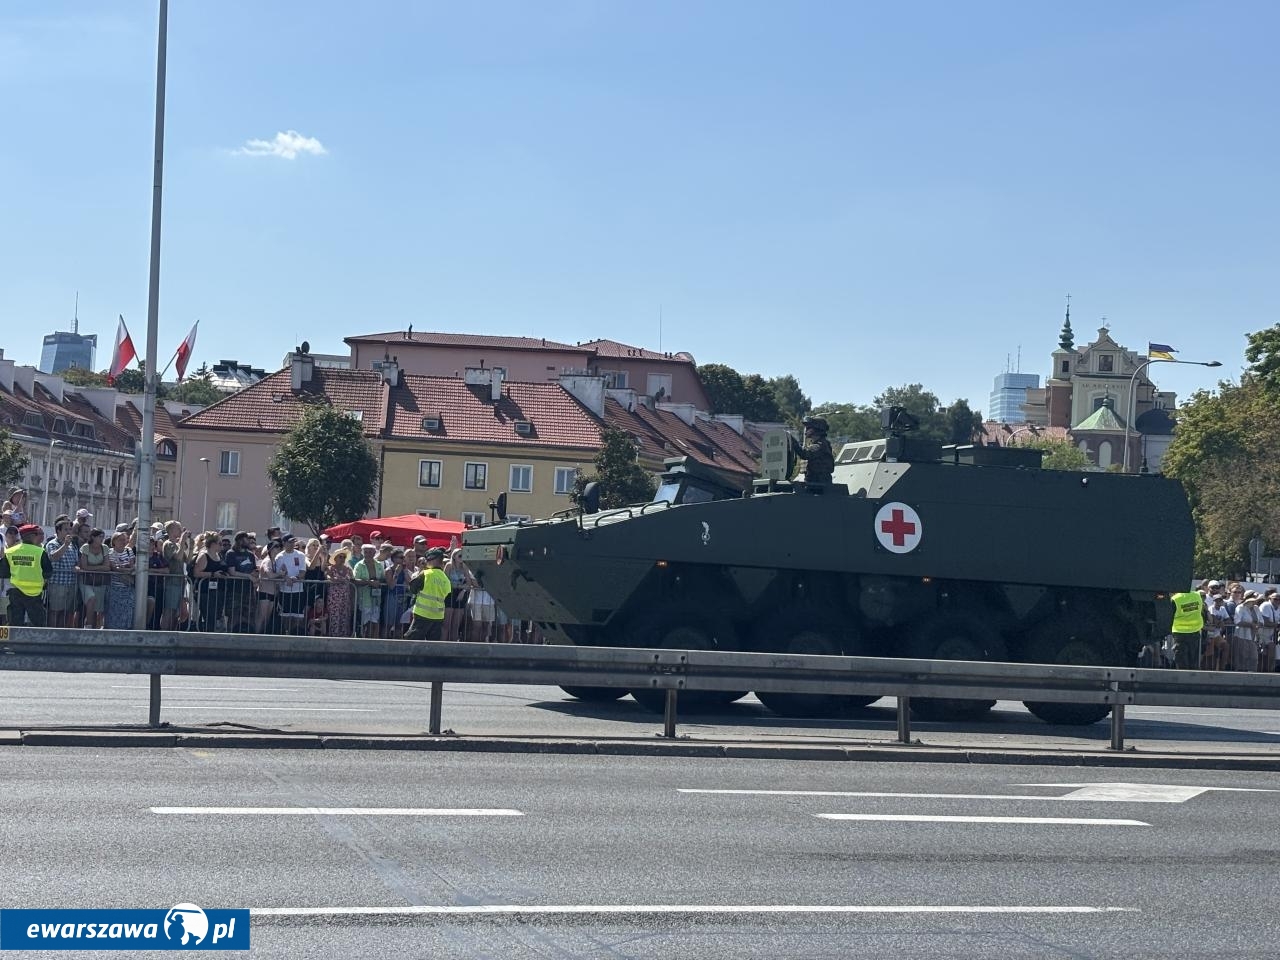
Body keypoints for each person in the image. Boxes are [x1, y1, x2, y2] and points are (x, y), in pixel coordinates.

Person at [0, 524, 52, 626]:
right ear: (32, 536)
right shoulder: (40, 552)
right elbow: (48, 572)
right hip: (34, 593)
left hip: (15, 592)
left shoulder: (10, 551)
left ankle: (14, 642)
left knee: (15, 624)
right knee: (39, 624)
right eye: (37, 534)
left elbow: (3, 572)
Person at [404, 547, 451, 641]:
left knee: (412, 640)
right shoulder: (445, 579)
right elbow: (447, 595)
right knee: (433, 643)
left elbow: (412, 588)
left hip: (422, 614)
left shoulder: (426, 574)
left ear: (431, 560)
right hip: (438, 616)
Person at [45, 518, 79, 628]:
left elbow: (76, 562)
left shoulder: (72, 545)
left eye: (70, 529)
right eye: (66, 530)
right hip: (57, 583)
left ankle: (61, 636)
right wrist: (65, 545)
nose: (69, 532)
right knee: (55, 611)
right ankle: (52, 634)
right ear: (58, 531)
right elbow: (53, 557)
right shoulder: (52, 544)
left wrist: (77, 567)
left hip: (70, 583)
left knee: (66, 612)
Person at [273, 535, 308, 635]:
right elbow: (280, 572)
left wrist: (295, 578)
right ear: (284, 543)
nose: (292, 544)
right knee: (285, 616)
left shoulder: (301, 555)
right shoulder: (279, 556)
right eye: (289, 542)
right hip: (284, 591)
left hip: (298, 590)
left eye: (293, 542)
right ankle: (286, 635)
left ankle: (295, 635)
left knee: (298, 616)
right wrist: (286, 578)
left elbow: (302, 571)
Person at [77, 528, 110, 629]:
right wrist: (100, 567)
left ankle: (95, 630)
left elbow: (107, 567)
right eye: (100, 536)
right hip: (86, 581)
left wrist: (93, 568)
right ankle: (88, 627)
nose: (102, 539)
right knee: (91, 598)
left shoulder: (105, 548)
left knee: (97, 608)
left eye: (103, 537)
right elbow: (84, 566)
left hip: (100, 581)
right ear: (93, 537)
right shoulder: (86, 547)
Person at [105, 530, 136, 629]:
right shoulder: (110, 552)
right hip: (115, 587)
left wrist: (122, 568)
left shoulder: (129, 551)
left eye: (124, 540)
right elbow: (114, 568)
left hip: (128, 587)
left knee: (128, 610)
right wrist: (125, 569)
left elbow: (132, 567)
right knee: (114, 611)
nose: (123, 542)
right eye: (120, 540)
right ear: (114, 541)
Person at [1168, 588, 1205, 670]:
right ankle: (1193, 678)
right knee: (1193, 659)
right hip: (1195, 631)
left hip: (1180, 633)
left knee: (1181, 660)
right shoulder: (1197, 596)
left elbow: (1170, 616)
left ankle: (1183, 679)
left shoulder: (1175, 599)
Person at [792, 415, 834, 485]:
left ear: (817, 429)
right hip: (813, 481)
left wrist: (793, 442)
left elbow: (804, 454)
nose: (806, 430)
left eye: (809, 428)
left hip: (820, 483)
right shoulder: (815, 443)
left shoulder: (821, 445)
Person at [352, 543, 383, 638]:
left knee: (375, 622)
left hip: (376, 598)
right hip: (364, 599)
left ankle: (374, 641)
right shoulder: (359, 565)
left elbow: (382, 578)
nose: (368, 554)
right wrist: (369, 582)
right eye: (366, 552)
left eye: (370, 552)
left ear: (374, 553)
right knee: (364, 623)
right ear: (363, 553)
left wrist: (378, 582)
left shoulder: (378, 565)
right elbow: (355, 580)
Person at [325, 549, 354, 637]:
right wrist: (336, 580)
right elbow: (328, 578)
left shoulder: (348, 569)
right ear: (335, 558)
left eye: (344, 557)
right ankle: (333, 637)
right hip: (334, 598)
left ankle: (344, 638)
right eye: (340, 557)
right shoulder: (331, 568)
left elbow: (353, 581)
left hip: (346, 598)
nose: (342, 559)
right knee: (334, 618)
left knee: (344, 618)